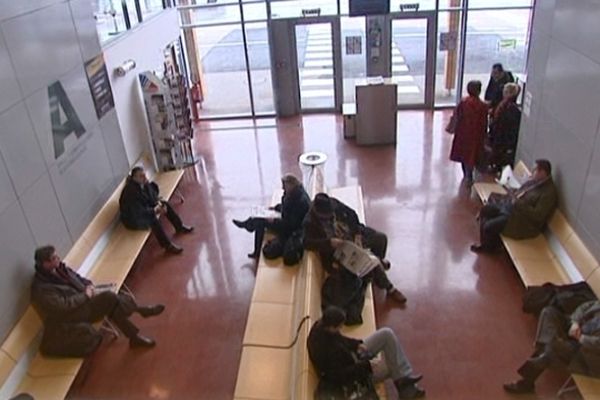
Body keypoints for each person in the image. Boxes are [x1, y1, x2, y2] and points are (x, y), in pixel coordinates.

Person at [31, 246, 165, 357]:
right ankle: (140, 312)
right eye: (54, 258)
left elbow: (78, 278)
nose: (58, 259)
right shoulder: (42, 288)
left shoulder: (60, 269)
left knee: (112, 304)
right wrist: (85, 295)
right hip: (74, 315)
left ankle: (134, 337)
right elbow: (63, 306)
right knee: (110, 298)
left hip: (86, 300)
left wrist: (89, 285)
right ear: (45, 264)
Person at [304, 193, 407, 307]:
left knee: (380, 238)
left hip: (351, 236)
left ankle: (379, 260)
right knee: (371, 262)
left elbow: (351, 214)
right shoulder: (309, 221)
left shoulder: (333, 204)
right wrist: (329, 243)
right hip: (337, 251)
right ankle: (389, 287)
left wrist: (357, 234)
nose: (329, 217)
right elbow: (307, 243)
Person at [307, 306, 425, 399]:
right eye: (340, 326)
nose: (341, 328)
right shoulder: (325, 350)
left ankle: (403, 382)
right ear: (332, 327)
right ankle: (405, 387)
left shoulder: (321, 326)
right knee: (393, 363)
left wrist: (357, 344)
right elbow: (340, 376)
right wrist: (366, 366)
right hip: (356, 375)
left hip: (353, 357)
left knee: (386, 334)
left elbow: (341, 339)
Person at [503, 301, 600, 394]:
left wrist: (581, 338)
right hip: (576, 332)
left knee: (553, 347)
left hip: (588, 353)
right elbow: (584, 307)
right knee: (549, 312)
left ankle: (527, 382)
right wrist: (575, 323)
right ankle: (547, 347)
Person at [471, 159, 558, 253]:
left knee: (488, 226)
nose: (532, 173)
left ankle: (489, 247)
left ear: (543, 173)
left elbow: (538, 215)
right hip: (512, 209)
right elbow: (519, 192)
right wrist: (512, 194)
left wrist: (518, 203)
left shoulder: (548, 193)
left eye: (535, 170)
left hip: (522, 221)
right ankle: (489, 244)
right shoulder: (534, 182)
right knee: (485, 210)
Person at [232, 174, 310, 264]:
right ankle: (249, 226)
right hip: (286, 221)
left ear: (290, 185)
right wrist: (276, 208)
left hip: (290, 229)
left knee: (260, 221)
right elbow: (287, 209)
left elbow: (292, 224)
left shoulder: (299, 201)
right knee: (260, 218)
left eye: (284, 186)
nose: (282, 188)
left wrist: (274, 221)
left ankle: (249, 228)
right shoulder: (296, 194)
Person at [119, 166, 193, 254]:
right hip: (132, 219)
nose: (144, 178)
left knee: (164, 204)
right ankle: (167, 246)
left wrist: (158, 204)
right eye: (141, 176)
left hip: (143, 209)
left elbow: (152, 197)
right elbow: (138, 212)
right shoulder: (130, 192)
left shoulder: (143, 183)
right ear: (134, 178)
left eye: (144, 175)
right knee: (153, 220)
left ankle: (179, 226)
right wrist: (154, 210)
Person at [449, 80, 489, 185]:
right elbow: (484, 122)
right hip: (476, 134)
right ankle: (469, 174)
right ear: (479, 91)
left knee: (463, 154)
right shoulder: (483, 106)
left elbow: (457, 116)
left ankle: (466, 175)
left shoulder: (463, 102)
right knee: (472, 155)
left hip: (463, 133)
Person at [488, 82, 522, 171]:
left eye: (505, 91)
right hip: (502, 135)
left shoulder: (506, 106)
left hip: (502, 136)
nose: (503, 93)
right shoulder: (510, 107)